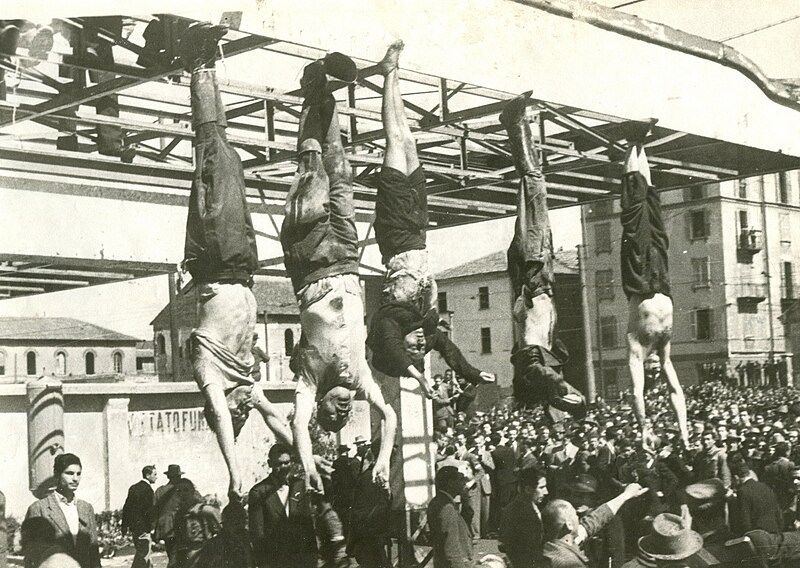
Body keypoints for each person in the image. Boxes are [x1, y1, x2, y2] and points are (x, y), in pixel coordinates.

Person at [179, 22, 293, 503]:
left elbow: (225, 420)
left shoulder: (213, 380)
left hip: (217, 260)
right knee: (229, 165)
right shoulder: (245, 383)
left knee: (216, 158)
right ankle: (202, 67)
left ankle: (200, 64)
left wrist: (235, 473)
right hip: (239, 264)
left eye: (237, 409)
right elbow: (272, 416)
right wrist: (307, 454)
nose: (247, 406)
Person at [280, 49, 396, 495]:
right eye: (345, 417)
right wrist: (383, 459)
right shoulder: (361, 379)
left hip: (311, 263)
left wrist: (308, 466)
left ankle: (313, 88)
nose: (343, 414)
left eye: (334, 415)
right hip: (346, 258)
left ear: (319, 408)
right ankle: (325, 86)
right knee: (341, 172)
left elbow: (298, 425)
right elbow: (388, 416)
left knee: (312, 169)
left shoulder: (309, 381)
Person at [366, 41, 495, 399]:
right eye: (421, 348)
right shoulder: (423, 324)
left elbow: (392, 351)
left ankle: (389, 72)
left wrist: (419, 380)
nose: (421, 343)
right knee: (408, 141)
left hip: (395, 230)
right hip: (418, 230)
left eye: (414, 348)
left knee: (394, 139)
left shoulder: (389, 322)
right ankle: (392, 73)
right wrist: (471, 373)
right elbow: (449, 351)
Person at [500, 93, 585, 421]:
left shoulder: (532, 363)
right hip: (538, 269)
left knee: (534, 184)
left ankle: (514, 124)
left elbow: (545, 376)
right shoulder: (544, 358)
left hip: (533, 267)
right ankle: (518, 125)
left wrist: (563, 394)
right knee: (535, 185)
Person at [618, 122, 689, 447]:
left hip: (645, 284)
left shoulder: (643, 349)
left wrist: (645, 426)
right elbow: (674, 391)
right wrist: (683, 433)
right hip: (658, 281)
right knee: (648, 204)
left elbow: (637, 392)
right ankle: (639, 144)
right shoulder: (660, 352)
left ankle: (634, 143)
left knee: (638, 208)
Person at [538, 482, 647, 568]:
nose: (578, 519)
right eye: (575, 515)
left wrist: (626, 495)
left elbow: (593, 521)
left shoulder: (554, 543)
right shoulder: (569, 563)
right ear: (569, 525)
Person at [22, 453, 100, 568]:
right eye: (69, 473)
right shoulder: (39, 508)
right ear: (57, 475)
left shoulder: (86, 508)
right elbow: (31, 557)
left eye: (78, 474)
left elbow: (94, 554)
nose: (75, 479)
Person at [247, 444, 316, 568]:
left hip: (300, 561)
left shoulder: (299, 486)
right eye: (279, 464)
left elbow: (308, 526)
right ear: (270, 463)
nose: (284, 468)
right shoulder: (258, 492)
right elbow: (257, 535)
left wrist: (312, 560)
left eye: (287, 463)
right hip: (275, 561)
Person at [153, 464, 202, 568]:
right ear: (179, 476)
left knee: (173, 557)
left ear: (168, 476)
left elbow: (154, 511)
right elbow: (200, 502)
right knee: (186, 558)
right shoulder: (185, 489)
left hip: (166, 529)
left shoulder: (159, 491)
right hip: (184, 528)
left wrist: (155, 531)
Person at [499, 466, 549, 568]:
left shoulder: (526, 507)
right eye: (541, 487)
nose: (546, 492)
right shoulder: (522, 513)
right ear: (528, 489)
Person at [427, 466, 474, 568]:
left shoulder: (443, 501)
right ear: (450, 483)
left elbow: (464, 525)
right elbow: (451, 546)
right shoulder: (446, 507)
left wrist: (466, 500)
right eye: (460, 480)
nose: (464, 483)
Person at [121, 465, 157, 568]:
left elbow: (126, 508)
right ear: (147, 475)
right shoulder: (148, 490)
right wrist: (151, 528)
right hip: (144, 529)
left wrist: (124, 526)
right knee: (143, 556)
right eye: (154, 474)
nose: (156, 477)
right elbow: (148, 512)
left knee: (145, 555)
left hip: (135, 529)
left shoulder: (133, 488)